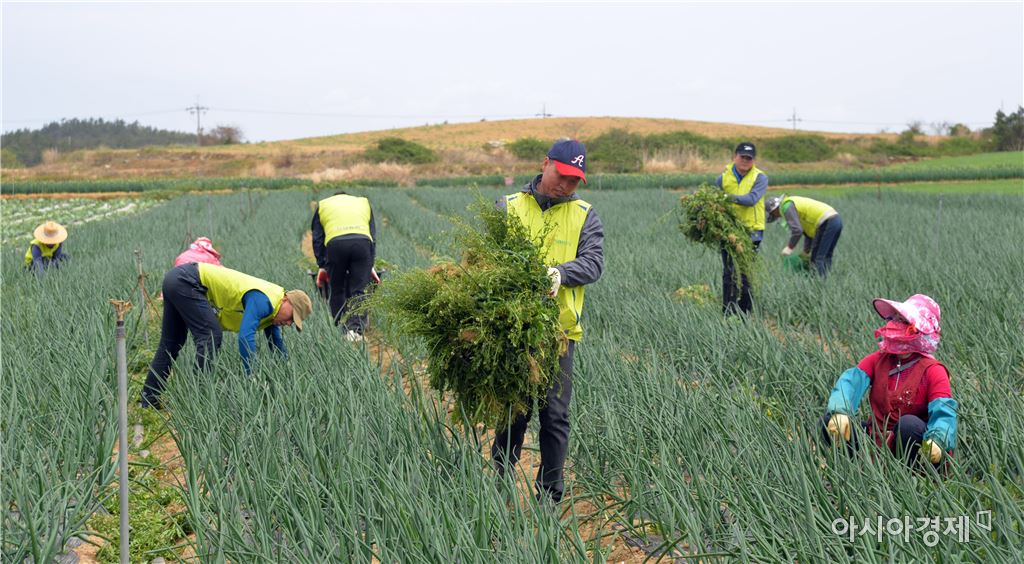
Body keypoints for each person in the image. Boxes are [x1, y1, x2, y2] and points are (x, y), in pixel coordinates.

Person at [491, 139, 604, 504]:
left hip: (559, 333)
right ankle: (498, 486)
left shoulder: (585, 214)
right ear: (545, 164)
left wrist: (560, 273)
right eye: (562, 175)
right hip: (513, 330)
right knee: (514, 411)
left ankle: (550, 498)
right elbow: (486, 259)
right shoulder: (508, 206)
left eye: (574, 180)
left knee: (554, 415)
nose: (565, 185)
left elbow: (594, 263)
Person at [141, 262, 312, 409]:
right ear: (286, 300)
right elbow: (245, 337)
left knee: (171, 343)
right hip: (187, 280)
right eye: (291, 317)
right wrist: (252, 376)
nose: (289, 323)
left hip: (176, 279)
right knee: (210, 336)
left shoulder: (273, 310)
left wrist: (287, 371)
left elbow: (276, 343)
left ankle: (149, 400)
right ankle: (197, 398)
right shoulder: (264, 301)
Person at [820, 294, 958, 467]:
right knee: (829, 421)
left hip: (918, 449)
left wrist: (938, 440)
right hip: (876, 441)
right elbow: (850, 383)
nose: (896, 324)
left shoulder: (934, 371)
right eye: (895, 319)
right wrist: (840, 411)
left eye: (904, 322)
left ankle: (910, 476)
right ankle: (855, 469)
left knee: (908, 425)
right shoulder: (877, 360)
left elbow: (944, 411)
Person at [311, 191, 378, 343]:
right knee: (359, 290)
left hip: (335, 245)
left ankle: (341, 328)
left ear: (334, 197)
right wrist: (370, 264)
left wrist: (322, 265)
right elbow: (372, 236)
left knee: (337, 288)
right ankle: (356, 331)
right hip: (362, 244)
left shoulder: (323, 205)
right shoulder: (363, 202)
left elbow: (317, 238)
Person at [714, 142, 767, 315]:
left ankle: (745, 313)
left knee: (745, 274)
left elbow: (751, 199)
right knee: (729, 273)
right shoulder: (722, 179)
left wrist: (727, 197)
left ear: (753, 160)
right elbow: (714, 202)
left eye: (749, 158)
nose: (745, 160)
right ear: (734, 156)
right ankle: (728, 313)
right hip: (728, 231)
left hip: (752, 232)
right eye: (742, 157)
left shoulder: (760, 178)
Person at [766, 195, 843, 277]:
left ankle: (820, 283)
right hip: (836, 220)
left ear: (774, 209)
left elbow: (797, 230)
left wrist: (789, 248)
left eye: (773, 214)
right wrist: (806, 251)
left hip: (826, 222)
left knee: (817, 258)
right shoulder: (792, 206)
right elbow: (808, 232)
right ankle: (827, 280)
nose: (776, 216)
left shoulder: (786, 207)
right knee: (826, 256)